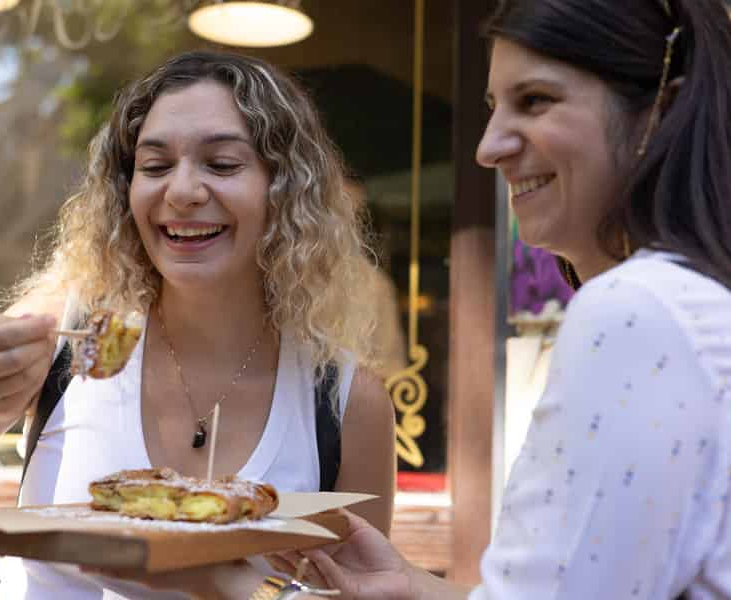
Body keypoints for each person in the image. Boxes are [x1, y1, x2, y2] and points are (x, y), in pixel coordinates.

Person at [0, 51, 396, 599]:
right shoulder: (64, 331)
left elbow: (357, 595)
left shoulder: (343, 402)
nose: (182, 191)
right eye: (154, 167)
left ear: (285, 190)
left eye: (222, 164)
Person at [262, 0, 731, 598]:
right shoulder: (688, 299)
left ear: (660, 110)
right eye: (493, 108)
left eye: (535, 100)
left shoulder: (638, 310)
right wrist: (407, 586)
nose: (489, 147)